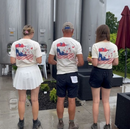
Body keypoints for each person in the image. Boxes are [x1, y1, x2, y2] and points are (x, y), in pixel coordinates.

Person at [48, 22, 84, 129]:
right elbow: (81, 62)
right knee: (72, 99)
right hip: (72, 74)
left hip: (61, 75)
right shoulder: (76, 44)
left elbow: (50, 60)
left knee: (60, 99)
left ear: (62, 31)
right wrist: (76, 63)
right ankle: (71, 124)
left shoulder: (55, 43)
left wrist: (57, 62)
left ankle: (60, 123)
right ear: (72, 31)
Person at [10, 25, 43, 129]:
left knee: (21, 100)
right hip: (33, 71)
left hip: (21, 72)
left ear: (23, 33)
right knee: (34, 99)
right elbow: (39, 61)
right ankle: (35, 122)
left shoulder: (15, 44)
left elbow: (12, 61)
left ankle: (21, 122)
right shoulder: (35, 44)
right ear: (32, 34)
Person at [87, 25, 119, 129]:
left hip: (97, 72)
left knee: (96, 100)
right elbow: (116, 62)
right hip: (108, 73)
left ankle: (95, 124)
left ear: (98, 34)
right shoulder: (114, 46)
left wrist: (90, 59)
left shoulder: (96, 46)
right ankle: (107, 124)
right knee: (106, 101)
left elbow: (95, 63)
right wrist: (108, 61)